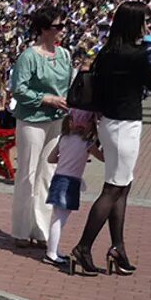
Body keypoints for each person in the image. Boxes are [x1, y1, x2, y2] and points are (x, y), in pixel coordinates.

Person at [71, 1, 151, 275]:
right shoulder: (137, 54)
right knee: (113, 188)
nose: (147, 27)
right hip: (125, 124)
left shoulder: (106, 53)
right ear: (135, 24)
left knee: (122, 185)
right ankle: (84, 247)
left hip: (109, 123)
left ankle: (118, 247)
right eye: (144, 21)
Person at [10, 7, 72, 248]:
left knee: (48, 174)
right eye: (58, 26)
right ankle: (21, 230)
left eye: (63, 26)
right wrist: (47, 99)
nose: (62, 31)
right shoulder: (29, 56)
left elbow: (69, 83)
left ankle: (41, 228)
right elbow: (19, 89)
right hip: (32, 120)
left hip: (57, 119)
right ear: (44, 29)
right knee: (27, 173)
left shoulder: (65, 55)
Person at [44, 107, 101, 267]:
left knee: (58, 217)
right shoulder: (87, 143)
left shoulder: (63, 139)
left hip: (58, 178)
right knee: (60, 219)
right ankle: (51, 253)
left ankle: (54, 250)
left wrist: (65, 161)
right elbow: (103, 158)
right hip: (70, 182)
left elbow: (51, 159)